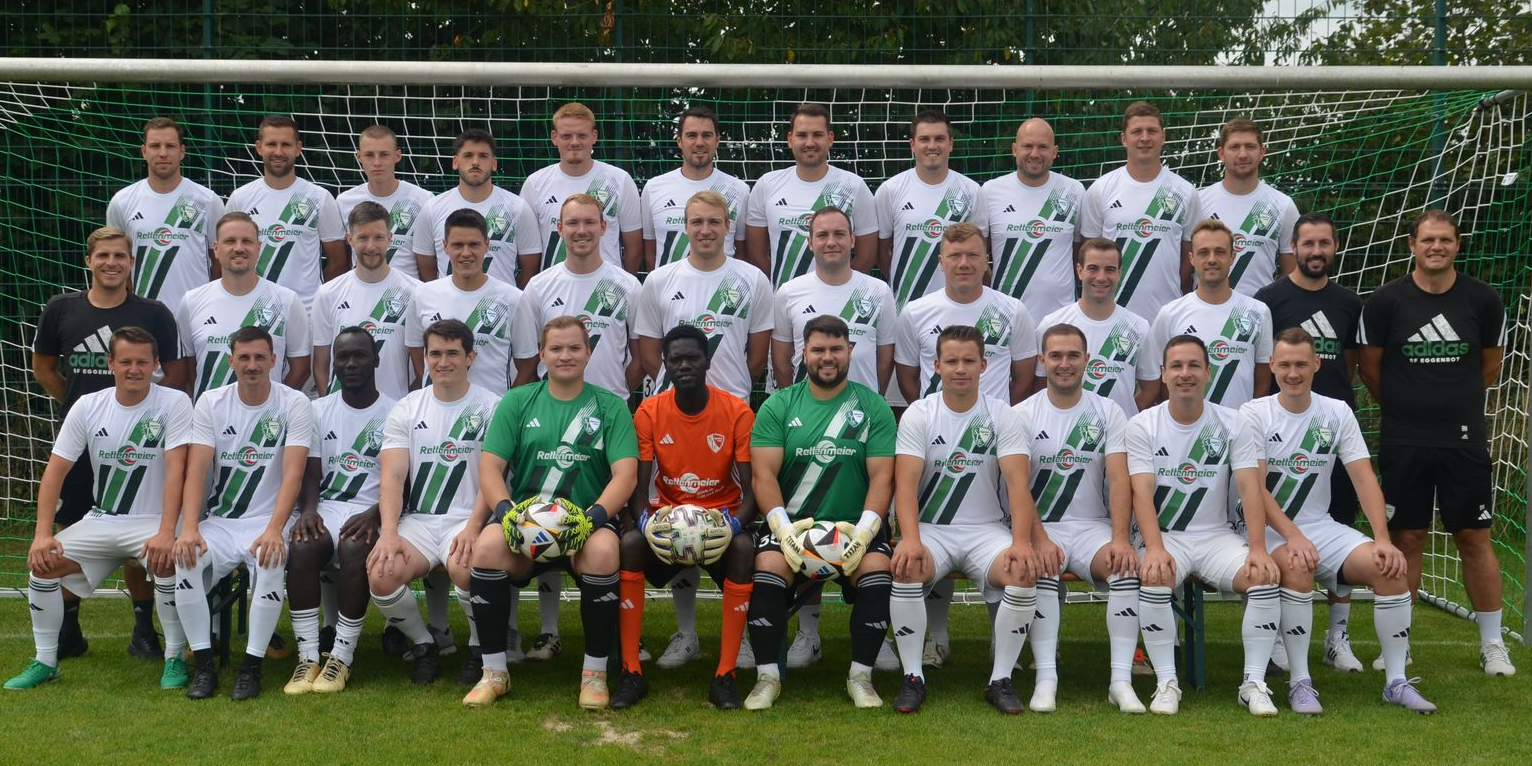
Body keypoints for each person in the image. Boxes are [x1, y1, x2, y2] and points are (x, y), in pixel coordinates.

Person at [1242, 328, 1437, 714]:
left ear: (1317, 364)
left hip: (1321, 526)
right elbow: (1255, 490)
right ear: (1272, 366)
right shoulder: (1254, 413)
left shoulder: (1337, 411)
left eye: (1301, 364)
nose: (1293, 373)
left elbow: (1363, 478)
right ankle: (1301, 683)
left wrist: (1383, 539)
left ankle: (1396, 682)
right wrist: (1293, 536)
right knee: (1297, 565)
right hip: (1267, 530)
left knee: (1390, 568)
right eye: (1285, 365)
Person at [1358, 209, 1516, 677]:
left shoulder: (1483, 299)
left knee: (1474, 537)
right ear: (1412, 245)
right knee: (1405, 538)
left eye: (1445, 240)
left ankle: (1492, 644)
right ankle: (1399, 645)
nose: (1436, 247)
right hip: (1404, 439)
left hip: (1462, 440)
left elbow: (1490, 366)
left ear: (1457, 245)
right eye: (1428, 240)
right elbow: (1370, 369)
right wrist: (1409, 408)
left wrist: (1451, 404)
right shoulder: (1385, 302)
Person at [462, 316, 638, 709]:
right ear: (542, 354)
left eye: (574, 348)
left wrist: (591, 520)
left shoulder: (610, 406)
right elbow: (490, 468)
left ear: (588, 353)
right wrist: (507, 513)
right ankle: (494, 673)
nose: (565, 356)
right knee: (487, 547)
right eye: (556, 348)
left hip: (585, 522)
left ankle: (594, 675)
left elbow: (625, 475)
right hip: (524, 520)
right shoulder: (517, 401)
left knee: (604, 552)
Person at [1127, 334, 1307, 716]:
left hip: (1216, 538)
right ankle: (1166, 683)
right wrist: (1154, 548)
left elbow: (1251, 488)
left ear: (1208, 372)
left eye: (1194, 365)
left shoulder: (1233, 422)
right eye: (1177, 366)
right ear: (1163, 373)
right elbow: (1141, 494)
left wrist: (1258, 548)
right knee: (1155, 576)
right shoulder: (1142, 425)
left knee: (1262, 576)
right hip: (1166, 538)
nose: (1185, 374)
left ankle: (1253, 684)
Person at [5, 328, 193, 691]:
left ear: (156, 364)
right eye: (126, 361)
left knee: (168, 561)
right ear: (110, 363)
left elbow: (177, 472)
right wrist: (42, 534)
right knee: (43, 565)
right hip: (103, 519)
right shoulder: (88, 405)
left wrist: (167, 532)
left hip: (155, 521)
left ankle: (174, 656)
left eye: (142, 362)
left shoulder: (174, 403)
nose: (134, 369)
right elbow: (55, 471)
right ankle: (46, 661)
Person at [33, 226, 184, 660]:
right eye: (103, 256)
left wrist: (142, 416)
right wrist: (79, 408)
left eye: (120, 256)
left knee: (136, 531)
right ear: (89, 261)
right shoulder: (61, 308)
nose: (111, 263)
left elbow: (174, 373)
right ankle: (68, 630)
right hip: (85, 442)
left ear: (131, 263)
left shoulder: (153, 313)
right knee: (72, 528)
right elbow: (43, 367)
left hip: (141, 443)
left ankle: (143, 628)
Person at [887, 325, 1048, 715]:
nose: (960, 369)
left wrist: (1022, 542)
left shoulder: (1003, 415)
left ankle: (1000, 680)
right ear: (937, 365)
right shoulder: (919, 414)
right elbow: (905, 485)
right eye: (952, 361)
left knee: (1022, 571)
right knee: (908, 567)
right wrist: (910, 539)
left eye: (969, 361)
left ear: (983, 365)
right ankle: (913, 677)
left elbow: (1018, 484)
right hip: (932, 530)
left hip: (986, 531)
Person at [742, 315, 896, 710]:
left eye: (836, 349)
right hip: (792, 528)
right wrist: (782, 531)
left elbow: (883, 478)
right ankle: (767, 678)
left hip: (854, 527)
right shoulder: (779, 405)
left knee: (877, 569)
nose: (827, 357)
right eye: (818, 350)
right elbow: (763, 476)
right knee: (769, 566)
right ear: (803, 353)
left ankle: (861, 677)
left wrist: (865, 533)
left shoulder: (873, 406)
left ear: (850, 352)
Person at [611, 324, 759, 710]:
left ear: (708, 360)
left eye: (692, 357)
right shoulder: (649, 411)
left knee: (744, 548)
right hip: (669, 521)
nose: (684, 365)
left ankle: (725, 674)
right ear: (665, 363)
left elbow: (753, 491)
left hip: (720, 521)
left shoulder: (737, 412)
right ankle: (631, 670)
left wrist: (734, 525)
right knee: (630, 543)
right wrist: (646, 524)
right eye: (675, 359)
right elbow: (637, 489)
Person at [172, 326, 314, 700]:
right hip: (221, 522)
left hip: (269, 521)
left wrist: (275, 529)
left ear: (274, 360)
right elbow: (196, 470)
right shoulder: (210, 402)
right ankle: (204, 667)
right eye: (244, 358)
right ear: (231, 361)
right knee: (186, 558)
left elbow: (294, 474)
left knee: (269, 559)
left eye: (260, 357)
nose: (252, 365)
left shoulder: (295, 403)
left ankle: (251, 668)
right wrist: (190, 527)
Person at [1253, 212, 1365, 672]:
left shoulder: (1350, 303)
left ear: (1335, 247)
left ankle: (1337, 636)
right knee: (1280, 530)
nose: (1316, 251)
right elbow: (1266, 365)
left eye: (1324, 243)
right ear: (1294, 248)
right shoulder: (1269, 300)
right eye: (1307, 243)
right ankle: (1281, 634)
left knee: (1341, 525)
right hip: (1284, 433)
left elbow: (1352, 365)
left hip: (1331, 433)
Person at [1015, 324, 1143, 713]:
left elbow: (1120, 479)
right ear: (1042, 361)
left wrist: (1120, 538)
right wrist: (1039, 539)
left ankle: (1120, 681)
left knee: (1124, 568)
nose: (1064, 364)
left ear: (1087, 360)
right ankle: (1046, 679)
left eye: (1073, 356)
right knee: (1040, 567)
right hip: (1042, 528)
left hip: (1092, 528)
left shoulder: (1108, 411)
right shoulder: (1021, 414)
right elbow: (1017, 487)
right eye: (1055, 356)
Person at [366, 319, 501, 687]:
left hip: (469, 518)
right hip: (420, 521)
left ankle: (477, 648)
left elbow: (495, 476)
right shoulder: (407, 407)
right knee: (381, 572)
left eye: (452, 353)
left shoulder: (493, 407)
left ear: (470, 357)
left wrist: (474, 528)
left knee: (467, 569)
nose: (443, 362)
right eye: (435, 353)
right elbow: (393, 477)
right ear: (424, 357)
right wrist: (388, 533)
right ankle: (425, 644)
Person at [282, 327, 396, 694]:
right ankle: (308, 657)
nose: (350, 364)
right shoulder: (317, 410)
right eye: (342, 357)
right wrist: (308, 511)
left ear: (376, 359)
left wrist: (376, 514)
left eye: (359, 355)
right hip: (329, 507)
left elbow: (403, 481)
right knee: (302, 545)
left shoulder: (396, 411)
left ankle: (341, 657)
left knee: (354, 546)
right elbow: (310, 474)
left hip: (376, 509)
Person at [636, 190, 775, 400]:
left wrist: (731, 394)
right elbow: (649, 356)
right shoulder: (658, 280)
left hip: (732, 403)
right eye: (697, 222)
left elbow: (757, 361)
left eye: (714, 222)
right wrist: (682, 391)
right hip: (673, 405)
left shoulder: (754, 280)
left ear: (727, 226)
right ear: (686, 227)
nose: (705, 230)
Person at [513, 193, 642, 399]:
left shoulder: (628, 286)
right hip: (554, 408)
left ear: (603, 227)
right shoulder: (538, 287)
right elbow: (529, 362)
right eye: (573, 223)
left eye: (589, 222)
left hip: (609, 407)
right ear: (560, 228)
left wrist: (615, 395)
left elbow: (641, 358)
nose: (581, 231)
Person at [1078, 101, 1198, 320]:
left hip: (1167, 315)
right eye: (1137, 132)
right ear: (1124, 138)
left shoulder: (1185, 191)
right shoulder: (1101, 189)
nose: (1144, 138)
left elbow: (1189, 258)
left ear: (1163, 137)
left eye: (1152, 131)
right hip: (1111, 315)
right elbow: (1089, 256)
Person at [896, 223, 1038, 405]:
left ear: (986, 261)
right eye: (955, 256)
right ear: (941, 262)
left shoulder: (1013, 311)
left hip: (994, 422)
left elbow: (1024, 380)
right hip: (935, 421)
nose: (964, 264)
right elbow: (907, 380)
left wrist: (1001, 414)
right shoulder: (914, 313)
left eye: (972, 255)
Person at [176, 212, 311, 399]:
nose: (239, 248)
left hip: (268, 415)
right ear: (216, 249)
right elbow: (189, 368)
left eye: (246, 241)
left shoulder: (287, 301)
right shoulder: (191, 302)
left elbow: (301, 368)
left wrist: (275, 403)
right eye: (230, 241)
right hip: (211, 415)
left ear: (258, 248)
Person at [1146, 219, 1273, 409]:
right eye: (1203, 252)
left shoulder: (1258, 312)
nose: (1212, 259)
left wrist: (1250, 420)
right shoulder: (1170, 314)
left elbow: (1263, 382)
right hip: (1186, 425)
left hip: (1239, 425)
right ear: (1192, 258)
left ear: (1232, 257)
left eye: (1220, 252)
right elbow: (1160, 378)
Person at [224, 114, 347, 311]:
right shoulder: (240, 198)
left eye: (286, 145)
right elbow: (226, 257)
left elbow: (339, 262)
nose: (278, 152)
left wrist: (317, 300)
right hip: (253, 309)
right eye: (271, 144)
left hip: (306, 311)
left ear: (298, 148)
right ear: (259, 147)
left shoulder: (320, 198)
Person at [746, 103, 878, 286]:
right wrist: (785, 289)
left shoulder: (854, 186)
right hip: (786, 300)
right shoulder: (766, 185)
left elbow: (867, 256)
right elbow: (756, 256)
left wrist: (840, 288)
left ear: (830, 138)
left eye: (817, 135)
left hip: (839, 300)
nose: (809, 143)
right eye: (802, 135)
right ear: (790, 139)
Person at [105, 116, 224, 316]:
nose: (162, 153)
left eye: (170, 146)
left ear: (182, 151)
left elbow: (220, 262)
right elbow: (117, 262)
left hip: (196, 314)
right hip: (144, 316)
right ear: (144, 151)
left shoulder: (207, 201)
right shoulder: (122, 202)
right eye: (155, 146)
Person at [773, 205, 896, 391]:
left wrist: (871, 399)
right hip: (807, 407)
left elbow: (885, 363)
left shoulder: (879, 291)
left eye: (839, 234)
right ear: (810, 242)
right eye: (822, 235)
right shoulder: (788, 293)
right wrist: (794, 403)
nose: (831, 242)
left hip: (862, 406)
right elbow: (781, 363)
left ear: (852, 240)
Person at [876, 109, 986, 311]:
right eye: (924, 139)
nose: (932, 146)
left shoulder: (972, 192)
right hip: (906, 307)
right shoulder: (890, 190)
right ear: (912, 145)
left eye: (939, 139)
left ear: (950, 144)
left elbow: (979, 252)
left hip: (958, 308)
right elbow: (881, 251)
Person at [404, 208, 524, 393]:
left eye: (474, 244)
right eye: (457, 245)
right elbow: (417, 356)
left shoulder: (513, 299)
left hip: (494, 409)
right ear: (445, 246)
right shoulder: (422, 295)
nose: (466, 253)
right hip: (438, 408)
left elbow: (527, 364)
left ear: (487, 245)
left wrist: (507, 405)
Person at [1034, 238, 1158, 414]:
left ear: (1119, 273)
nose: (1101, 277)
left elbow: (1151, 388)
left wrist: (1124, 417)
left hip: (1120, 431)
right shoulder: (1051, 324)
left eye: (1110, 269)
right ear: (1079, 271)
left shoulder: (1139, 328)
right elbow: (1040, 386)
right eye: (1093, 268)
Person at [312, 201, 420, 401]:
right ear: (350, 239)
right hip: (342, 412)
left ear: (390, 239)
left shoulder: (415, 293)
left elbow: (422, 369)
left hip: (395, 413)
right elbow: (321, 365)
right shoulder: (328, 293)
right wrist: (330, 406)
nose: (371, 246)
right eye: (362, 238)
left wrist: (405, 408)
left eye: (378, 237)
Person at [981, 118, 1085, 325]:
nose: (1035, 154)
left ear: (1054, 151)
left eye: (1043, 147)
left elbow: (1079, 253)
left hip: (1062, 318)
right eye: (1027, 146)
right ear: (1014, 149)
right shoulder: (990, 191)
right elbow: (978, 256)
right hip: (1005, 318)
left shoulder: (1074, 191)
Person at [521, 103, 644, 275]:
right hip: (554, 288)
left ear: (594, 136)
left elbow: (634, 248)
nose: (574, 142)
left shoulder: (620, 180)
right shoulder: (535, 184)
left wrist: (620, 285)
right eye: (566, 136)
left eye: (582, 135)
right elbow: (528, 252)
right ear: (554, 137)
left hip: (605, 289)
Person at [411, 128, 541, 286]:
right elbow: (426, 269)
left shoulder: (518, 208)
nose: (475, 162)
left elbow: (530, 268)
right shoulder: (432, 208)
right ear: (455, 162)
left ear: (494, 163)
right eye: (468, 155)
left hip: (501, 301)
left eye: (483, 156)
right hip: (447, 301)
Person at [1197, 118, 1298, 296]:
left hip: (1261, 310)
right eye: (1234, 147)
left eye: (1250, 147)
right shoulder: (1199, 201)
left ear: (1262, 152)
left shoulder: (1283, 205)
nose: (1242, 154)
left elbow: (1292, 273)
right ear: (1221, 153)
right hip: (1205, 310)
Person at [640, 105, 750, 270]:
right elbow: (650, 252)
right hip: (671, 286)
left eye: (707, 135)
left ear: (717, 140)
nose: (699, 143)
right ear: (679, 141)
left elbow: (742, 252)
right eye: (691, 135)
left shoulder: (739, 190)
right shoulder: (653, 188)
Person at [336, 124, 433, 281]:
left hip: (408, 293)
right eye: (369, 155)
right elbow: (342, 260)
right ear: (359, 157)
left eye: (384, 155)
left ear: (397, 156)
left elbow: (428, 262)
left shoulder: (423, 200)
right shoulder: (344, 201)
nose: (377, 162)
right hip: (362, 292)